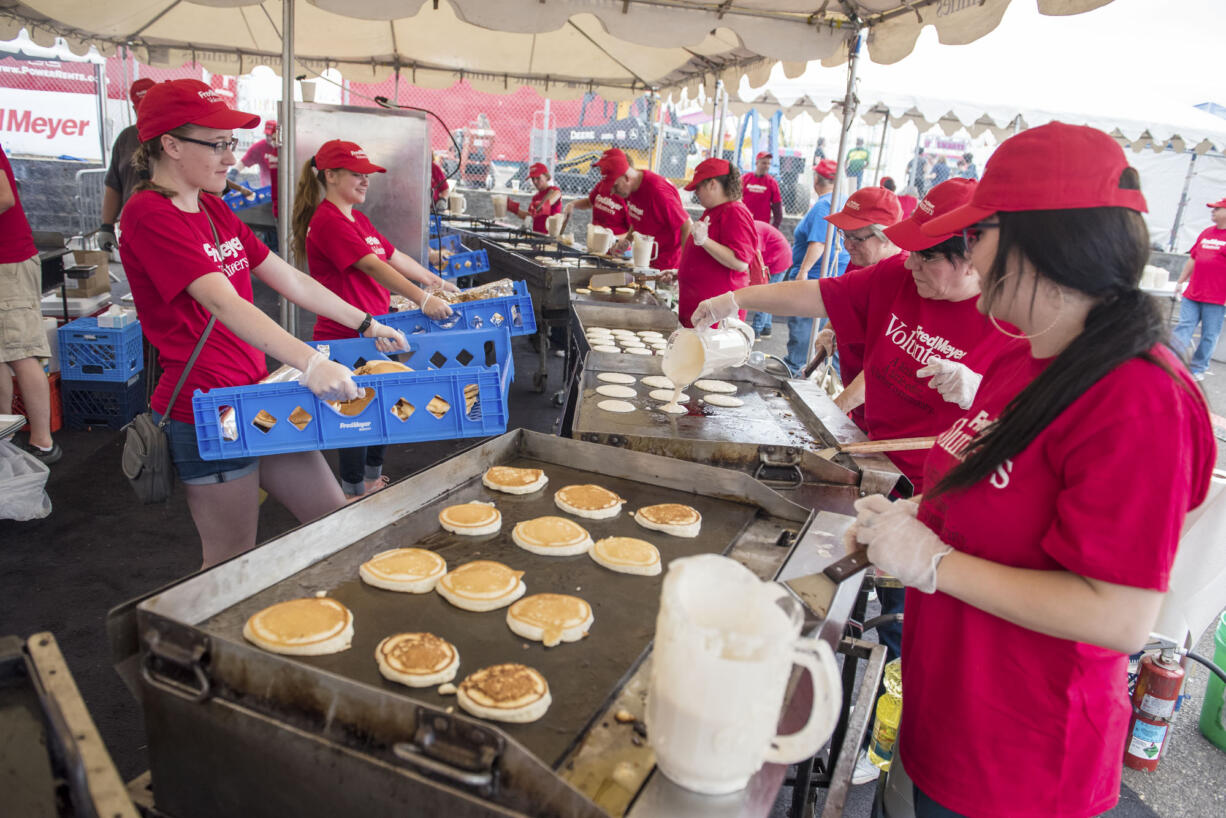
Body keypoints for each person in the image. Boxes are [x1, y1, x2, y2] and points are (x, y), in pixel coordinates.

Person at [852, 122, 1214, 818]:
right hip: (945, 715)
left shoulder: (1140, 399)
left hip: (1021, 763)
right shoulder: (1024, 359)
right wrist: (911, 517)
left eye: (978, 238)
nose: (970, 260)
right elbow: (979, 494)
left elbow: (1119, 616)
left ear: (1042, 243)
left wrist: (936, 564)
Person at [118, 79, 409, 568]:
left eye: (229, 144)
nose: (230, 158)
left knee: (334, 519)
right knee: (232, 559)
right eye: (217, 144)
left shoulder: (212, 207)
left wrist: (365, 323)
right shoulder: (149, 214)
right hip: (210, 410)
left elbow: (289, 279)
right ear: (169, 144)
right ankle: (209, 645)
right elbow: (224, 303)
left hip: (258, 395)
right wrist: (312, 361)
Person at [291, 139, 457, 498]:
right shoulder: (328, 221)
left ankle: (370, 481)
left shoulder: (357, 218)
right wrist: (421, 298)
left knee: (382, 408)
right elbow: (372, 265)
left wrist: (437, 282)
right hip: (348, 336)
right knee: (356, 416)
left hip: (377, 331)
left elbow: (392, 255)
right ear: (331, 176)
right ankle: (352, 492)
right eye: (357, 174)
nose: (366, 181)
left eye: (368, 175)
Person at [0, 144, 60, 463]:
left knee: (22, 352)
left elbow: (5, 197)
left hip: (7, 263)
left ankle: (42, 441)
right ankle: (6, 434)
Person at [778, 159, 853, 374]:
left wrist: (802, 273)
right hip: (831, 279)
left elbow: (820, 242)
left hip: (813, 280)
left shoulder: (824, 205)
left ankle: (795, 372)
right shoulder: (842, 200)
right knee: (821, 336)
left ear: (816, 179)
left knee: (804, 334)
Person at [677, 158, 759, 328]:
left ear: (712, 184)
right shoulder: (716, 210)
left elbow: (741, 262)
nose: (696, 193)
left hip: (716, 320)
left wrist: (704, 241)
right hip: (702, 316)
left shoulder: (734, 211)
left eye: (698, 187)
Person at [599, 151, 692, 271]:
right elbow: (638, 217)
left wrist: (683, 268)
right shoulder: (631, 188)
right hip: (646, 261)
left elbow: (687, 225)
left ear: (627, 177)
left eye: (615, 187)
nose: (612, 192)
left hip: (666, 267)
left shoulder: (658, 192)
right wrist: (627, 241)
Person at [96, 78, 157, 252]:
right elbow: (114, 186)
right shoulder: (126, 138)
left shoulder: (176, 137)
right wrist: (106, 226)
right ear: (134, 109)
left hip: (169, 224)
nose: (147, 114)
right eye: (142, 109)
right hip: (134, 226)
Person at [1173, 196, 1226, 381]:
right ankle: (1171, 363)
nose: (1213, 211)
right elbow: (1193, 258)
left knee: (1209, 335)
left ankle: (1197, 368)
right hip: (1193, 293)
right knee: (1183, 328)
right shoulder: (1206, 233)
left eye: (1217, 209)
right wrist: (1180, 281)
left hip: (1217, 298)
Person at [562, 149, 631, 237]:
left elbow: (632, 233)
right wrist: (572, 204)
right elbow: (589, 202)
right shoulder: (602, 184)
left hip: (616, 247)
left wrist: (611, 239)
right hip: (596, 241)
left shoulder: (626, 194)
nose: (601, 171)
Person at [748, 220, 792, 338]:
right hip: (778, 258)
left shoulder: (754, 230)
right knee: (769, 293)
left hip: (778, 260)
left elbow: (755, 256)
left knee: (765, 295)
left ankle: (756, 330)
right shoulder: (753, 226)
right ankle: (766, 327)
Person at [506, 162, 561, 233]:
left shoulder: (554, 190)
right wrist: (513, 208)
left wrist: (542, 206)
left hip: (550, 236)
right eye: (532, 179)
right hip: (537, 234)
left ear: (546, 176)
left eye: (538, 178)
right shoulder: (536, 197)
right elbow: (530, 217)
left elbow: (556, 195)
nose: (535, 181)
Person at [741, 151, 783, 227]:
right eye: (764, 163)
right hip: (743, 221)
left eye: (768, 163)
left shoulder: (772, 182)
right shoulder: (745, 179)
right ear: (757, 163)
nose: (767, 166)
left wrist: (774, 227)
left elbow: (777, 208)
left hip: (761, 224)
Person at [234, 120, 278, 188]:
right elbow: (243, 162)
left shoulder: (285, 149)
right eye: (267, 135)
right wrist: (233, 173)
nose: (269, 138)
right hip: (266, 189)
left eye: (271, 135)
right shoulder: (260, 147)